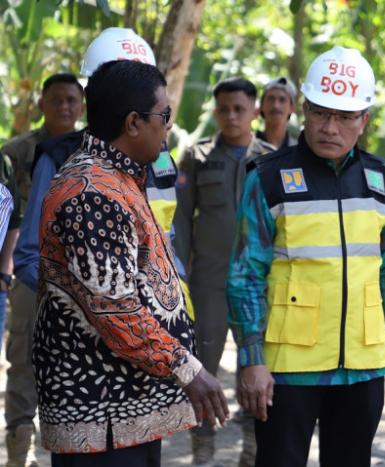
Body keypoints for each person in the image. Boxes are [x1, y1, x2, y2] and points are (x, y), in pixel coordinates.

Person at [226, 45, 385, 467]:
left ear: (364, 120)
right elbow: (245, 274)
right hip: (287, 367)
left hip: (362, 367)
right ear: (304, 112)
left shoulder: (380, 180)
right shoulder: (269, 178)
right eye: (320, 112)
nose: (330, 127)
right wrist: (251, 357)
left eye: (345, 116)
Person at [33, 58, 228, 467]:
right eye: (164, 115)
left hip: (125, 412)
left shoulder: (117, 177)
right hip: (102, 416)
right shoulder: (91, 195)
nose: (169, 126)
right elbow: (116, 311)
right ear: (134, 123)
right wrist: (188, 369)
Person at [173, 76, 275, 465]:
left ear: (255, 111)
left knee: (257, 365)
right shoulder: (197, 157)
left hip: (258, 284)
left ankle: (252, 453)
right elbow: (182, 217)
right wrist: (179, 274)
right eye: (224, 109)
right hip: (209, 281)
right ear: (215, 112)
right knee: (203, 369)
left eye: (240, 108)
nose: (232, 116)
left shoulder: (270, 158)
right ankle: (203, 453)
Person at [2, 72, 84, 466]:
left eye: (72, 100)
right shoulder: (17, 151)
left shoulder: (91, 151)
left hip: (79, 283)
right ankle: (18, 450)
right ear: (41, 104)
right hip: (28, 278)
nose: (64, 108)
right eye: (56, 100)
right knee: (21, 364)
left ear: (82, 105)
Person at [256, 76, 298, 149]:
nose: (276, 106)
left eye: (282, 100)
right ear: (261, 106)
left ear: (292, 108)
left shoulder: (299, 151)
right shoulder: (247, 146)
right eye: (271, 99)